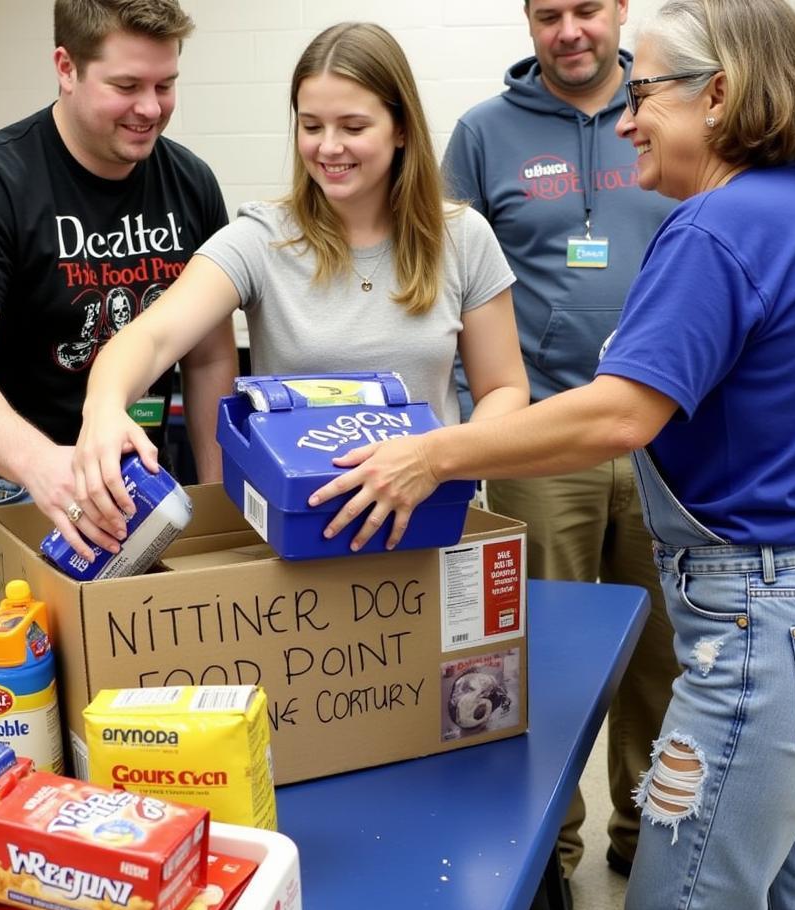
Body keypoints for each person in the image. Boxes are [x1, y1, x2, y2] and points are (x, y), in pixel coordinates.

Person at [310, 0, 795, 910]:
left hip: (759, 630)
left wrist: (433, 451)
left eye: (646, 95)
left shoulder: (717, 226)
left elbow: (614, 417)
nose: (630, 119)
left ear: (717, 96)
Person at [71, 21, 529, 531]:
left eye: (353, 127)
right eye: (311, 126)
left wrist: (436, 460)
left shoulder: (463, 237)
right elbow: (152, 337)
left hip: (429, 519)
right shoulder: (262, 239)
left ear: (401, 128)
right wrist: (105, 408)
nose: (329, 147)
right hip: (300, 534)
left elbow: (504, 388)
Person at [442, 0, 680, 910]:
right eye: (549, 13)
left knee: (661, 657)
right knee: (536, 656)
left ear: (619, 10)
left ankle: (642, 834)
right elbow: (450, 270)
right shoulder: (482, 134)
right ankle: (550, 850)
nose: (569, 29)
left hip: (667, 437)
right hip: (542, 441)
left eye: (588, 8)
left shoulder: (668, 115)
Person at [0, 0, 237, 600]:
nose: (150, 107)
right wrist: (46, 467)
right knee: (29, 684)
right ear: (66, 66)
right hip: (7, 485)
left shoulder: (190, 183)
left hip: (135, 485)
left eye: (165, 84)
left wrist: (215, 495)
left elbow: (210, 357)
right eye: (126, 85)